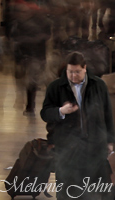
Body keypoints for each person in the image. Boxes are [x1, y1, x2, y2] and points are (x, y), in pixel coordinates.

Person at [41, 52, 115, 200]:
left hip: (94, 145)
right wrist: (61, 111)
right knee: (67, 189)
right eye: (70, 72)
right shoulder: (56, 87)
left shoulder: (98, 85)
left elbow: (107, 114)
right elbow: (45, 113)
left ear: (85, 68)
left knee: (93, 189)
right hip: (67, 146)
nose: (74, 76)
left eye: (77, 72)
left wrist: (110, 141)